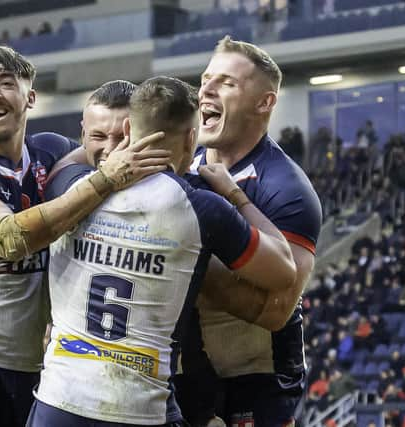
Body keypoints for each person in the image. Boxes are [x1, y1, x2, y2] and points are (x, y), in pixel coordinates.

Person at [0, 45, 170, 427]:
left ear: (29, 97)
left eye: (6, 83)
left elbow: (108, 154)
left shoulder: (51, 152)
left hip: (37, 368)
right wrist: (105, 179)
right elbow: (8, 239)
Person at [27, 76, 296, 426]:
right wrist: (234, 194)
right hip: (140, 408)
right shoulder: (204, 208)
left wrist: (113, 160)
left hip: (60, 402)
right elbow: (284, 271)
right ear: (191, 138)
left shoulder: (69, 184)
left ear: (126, 129)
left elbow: (70, 164)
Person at [179, 35, 322, 427]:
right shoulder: (178, 163)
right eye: (205, 78)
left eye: (226, 82)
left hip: (257, 377)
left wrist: (182, 260)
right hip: (187, 371)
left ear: (264, 102)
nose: (205, 89)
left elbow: (278, 310)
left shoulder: (286, 187)